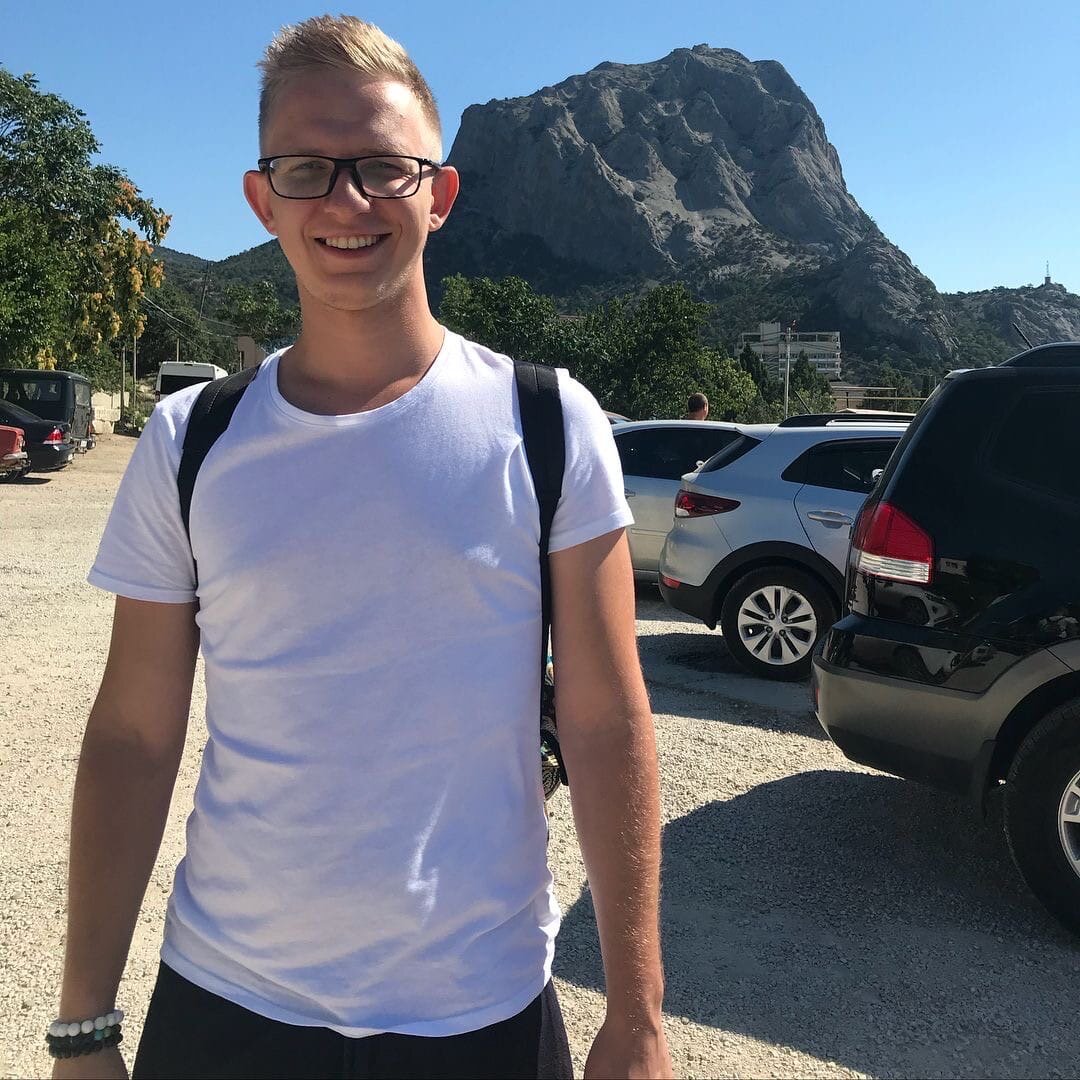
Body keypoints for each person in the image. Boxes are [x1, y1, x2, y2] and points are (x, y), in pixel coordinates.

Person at [52, 15, 670, 1080]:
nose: (346, 201)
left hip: (481, 1016)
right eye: (306, 169)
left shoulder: (548, 424)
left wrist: (639, 1015)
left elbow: (608, 721)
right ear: (263, 200)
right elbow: (134, 737)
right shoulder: (190, 440)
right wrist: (82, 1026)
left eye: (384, 167)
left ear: (440, 193)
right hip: (225, 1008)